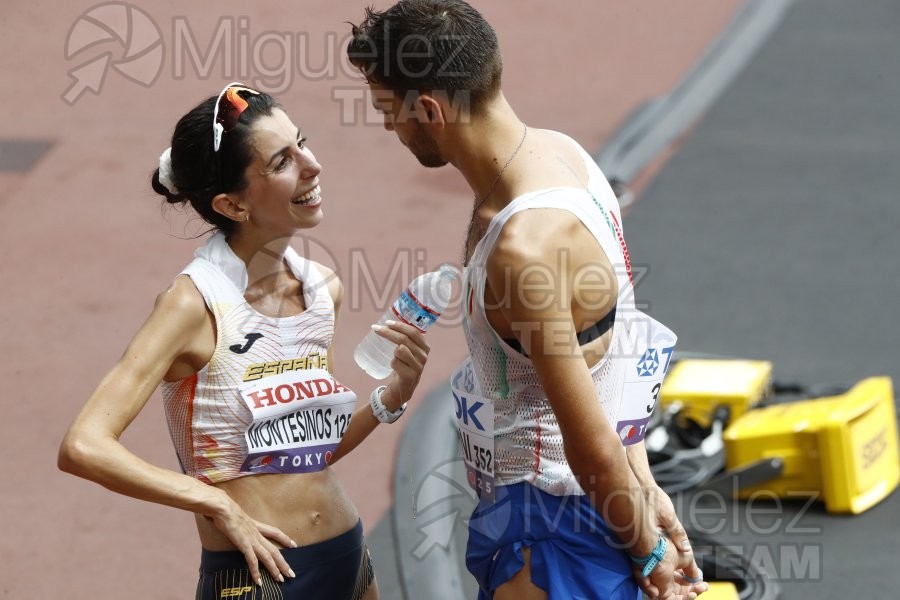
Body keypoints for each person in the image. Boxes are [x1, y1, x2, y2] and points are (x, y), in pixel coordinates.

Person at [347, 3, 708, 599]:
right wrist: (645, 494)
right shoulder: (565, 156)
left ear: (431, 110)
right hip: (591, 505)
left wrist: (650, 556)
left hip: (555, 526)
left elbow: (588, 446)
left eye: (390, 112)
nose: (390, 128)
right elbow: (617, 356)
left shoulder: (521, 247)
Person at [57, 83, 431, 600]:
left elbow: (308, 453)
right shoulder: (193, 304)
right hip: (255, 580)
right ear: (233, 204)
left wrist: (394, 394)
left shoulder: (323, 288)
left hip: (348, 559)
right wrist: (211, 502)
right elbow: (83, 446)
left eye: (303, 143)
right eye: (282, 161)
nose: (311, 165)